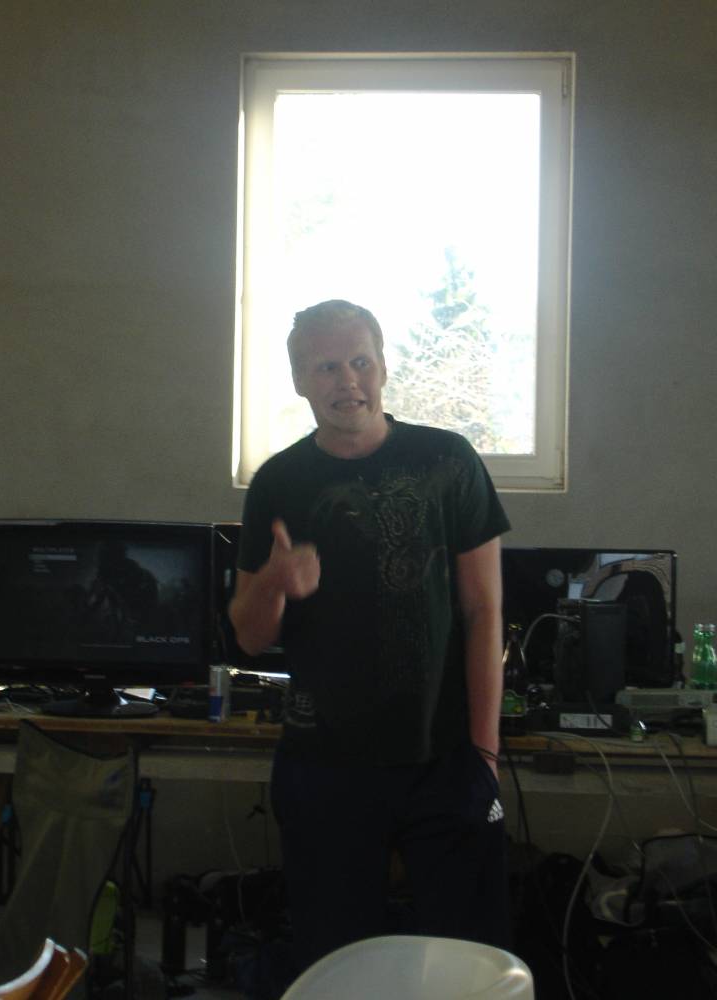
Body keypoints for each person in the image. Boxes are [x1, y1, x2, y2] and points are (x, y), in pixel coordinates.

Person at [228, 299, 512, 985]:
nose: (346, 380)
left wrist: (484, 752)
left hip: (445, 759)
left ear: (384, 367)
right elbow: (248, 637)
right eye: (326, 367)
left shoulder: (448, 460)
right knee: (336, 967)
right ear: (300, 380)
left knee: (464, 965)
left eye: (359, 361)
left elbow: (484, 612)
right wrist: (274, 583)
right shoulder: (278, 482)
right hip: (325, 767)